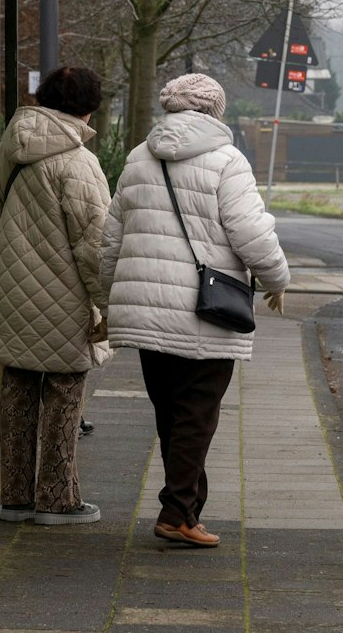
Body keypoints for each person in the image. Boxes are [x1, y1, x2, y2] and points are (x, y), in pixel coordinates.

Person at [97, 73, 292, 549]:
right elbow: (250, 231)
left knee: (173, 414)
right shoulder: (228, 161)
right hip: (205, 310)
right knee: (197, 413)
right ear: (214, 111)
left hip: (144, 311)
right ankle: (177, 512)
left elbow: (110, 239)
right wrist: (277, 280)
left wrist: (110, 298)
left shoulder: (139, 157)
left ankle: (185, 509)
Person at [0, 66, 114, 527]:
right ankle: (56, 500)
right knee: (64, 395)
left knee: (17, 391)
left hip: (12, 288)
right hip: (64, 296)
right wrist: (106, 305)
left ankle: (14, 498)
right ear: (89, 107)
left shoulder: (13, 146)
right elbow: (94, 245)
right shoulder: (79, 162)